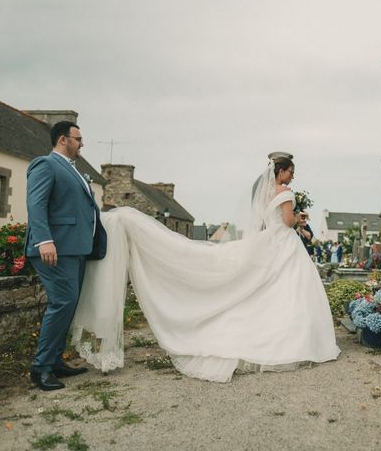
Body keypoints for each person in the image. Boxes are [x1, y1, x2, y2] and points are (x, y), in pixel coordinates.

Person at [71, 154, 340, 382]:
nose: (292, 176)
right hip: (283, 243)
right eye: (291, 172)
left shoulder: (268, 192)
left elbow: (269, 219)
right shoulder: (285, 193)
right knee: (288, 291)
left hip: (271, 241)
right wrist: (300, 219)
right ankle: (293, 339)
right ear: (280, 172)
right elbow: (287, 221)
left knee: (273, 290)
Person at [25, 121, 107, 391]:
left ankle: (56, 360)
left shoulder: (75, 170)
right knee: (62, 302)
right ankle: (41, 368)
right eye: (78, 138)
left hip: (76, 249)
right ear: (63, 139)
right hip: (54, 249)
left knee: (69, 304)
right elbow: (36, 204)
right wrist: (44, 241)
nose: (82, 143)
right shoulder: (45, 165)